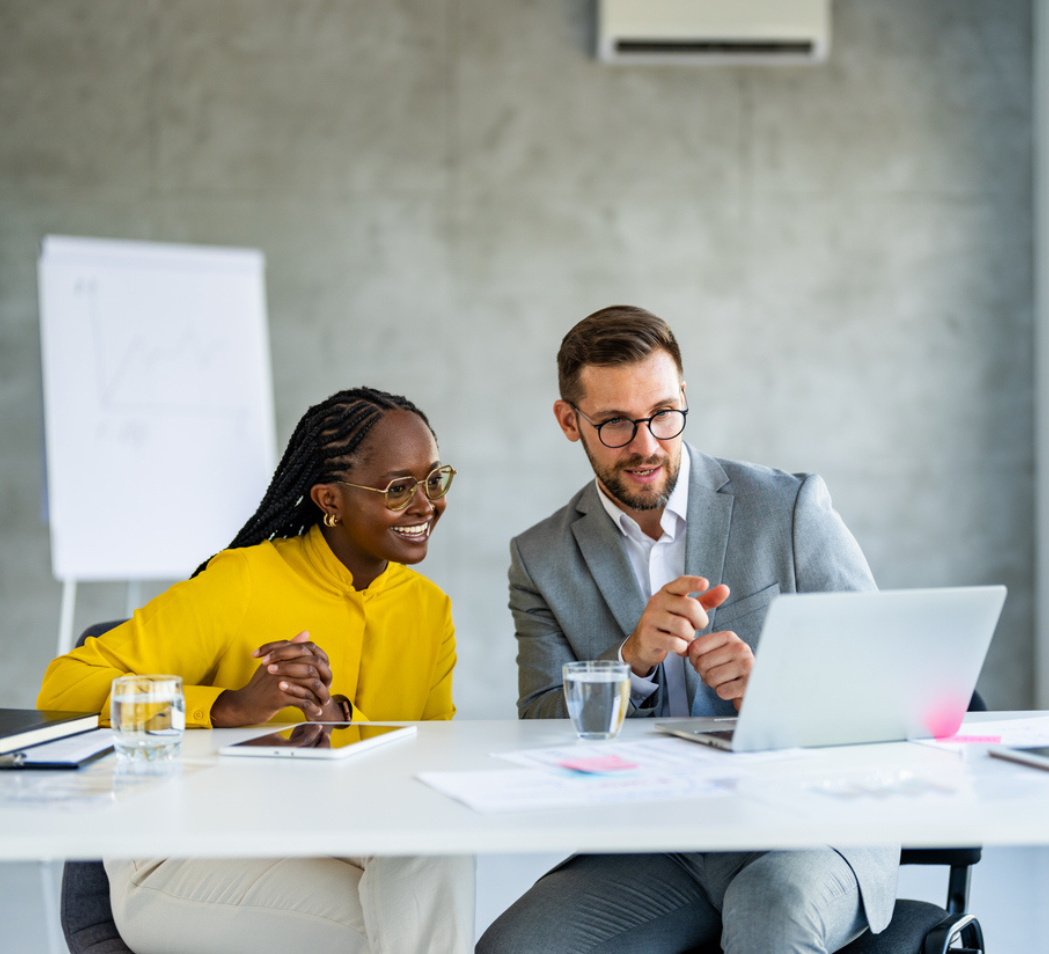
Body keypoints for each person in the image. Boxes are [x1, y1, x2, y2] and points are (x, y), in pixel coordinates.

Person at [477, 307, 898, 954]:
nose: (646, 444)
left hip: (804, 826)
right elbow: (539, 720)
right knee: (517, 948)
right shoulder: (541, 557)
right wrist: (629, 661)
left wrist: (773, 694)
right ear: (569, 422)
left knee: (771, 922)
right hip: (657, 844)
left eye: (664, 413)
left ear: (683, 400)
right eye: (615, 423)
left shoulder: (786, 508)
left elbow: (887, 683)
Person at [38, 387, 474, 954]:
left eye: (434, 480)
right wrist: (227, 708)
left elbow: (430, 767)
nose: (426, 505)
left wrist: (342, 719)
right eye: (398, 488)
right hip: (185, 852)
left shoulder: (429, 609)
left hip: (327, 838)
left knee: (432, 845)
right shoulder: (241, 582)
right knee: (398, 930)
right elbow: (63, 688)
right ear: (329, 499)